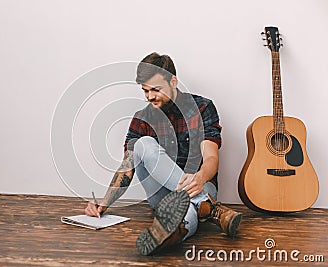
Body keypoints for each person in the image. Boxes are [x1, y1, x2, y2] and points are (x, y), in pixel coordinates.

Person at [85, 52, 242, 255]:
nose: (150, 96)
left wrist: (200, 178)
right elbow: (127, 167)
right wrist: (104, 203)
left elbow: (211, 157)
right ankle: (209, 208)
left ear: (173, 81)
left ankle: (172, 234)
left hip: (200, 185)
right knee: (143, 144)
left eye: (156, 89)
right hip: (161, 194)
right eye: (145, 91)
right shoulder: (142, 118)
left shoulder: (202, 107)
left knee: (186, 213)